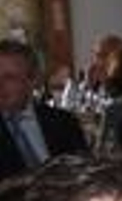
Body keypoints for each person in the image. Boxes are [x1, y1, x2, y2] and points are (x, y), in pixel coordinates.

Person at [0, 40, 87, 180]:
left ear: (32, 80)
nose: (0, 85)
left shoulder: (63, 121)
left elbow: (84, 173)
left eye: (9, 78)